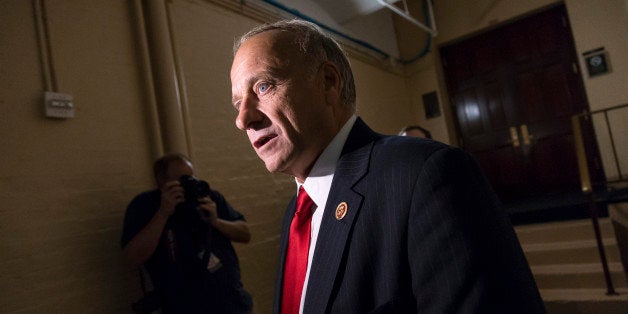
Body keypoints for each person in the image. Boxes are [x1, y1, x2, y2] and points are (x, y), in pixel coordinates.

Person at [230, 19, 545, 313]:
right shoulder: (297, 212)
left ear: (328, 82)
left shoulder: (426, 174)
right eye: (237, 102)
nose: (243, 119)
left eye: (263, 87)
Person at [121, 153, 253, 313]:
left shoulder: (208, 198)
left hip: (229, 301)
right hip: (183, 305)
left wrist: (216, 221)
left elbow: (245, 234)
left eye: (192, 177)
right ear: (162, 182)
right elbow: (133, 258)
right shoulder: (146, 205)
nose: (190, 183)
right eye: (183, 179)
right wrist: (163, 213)